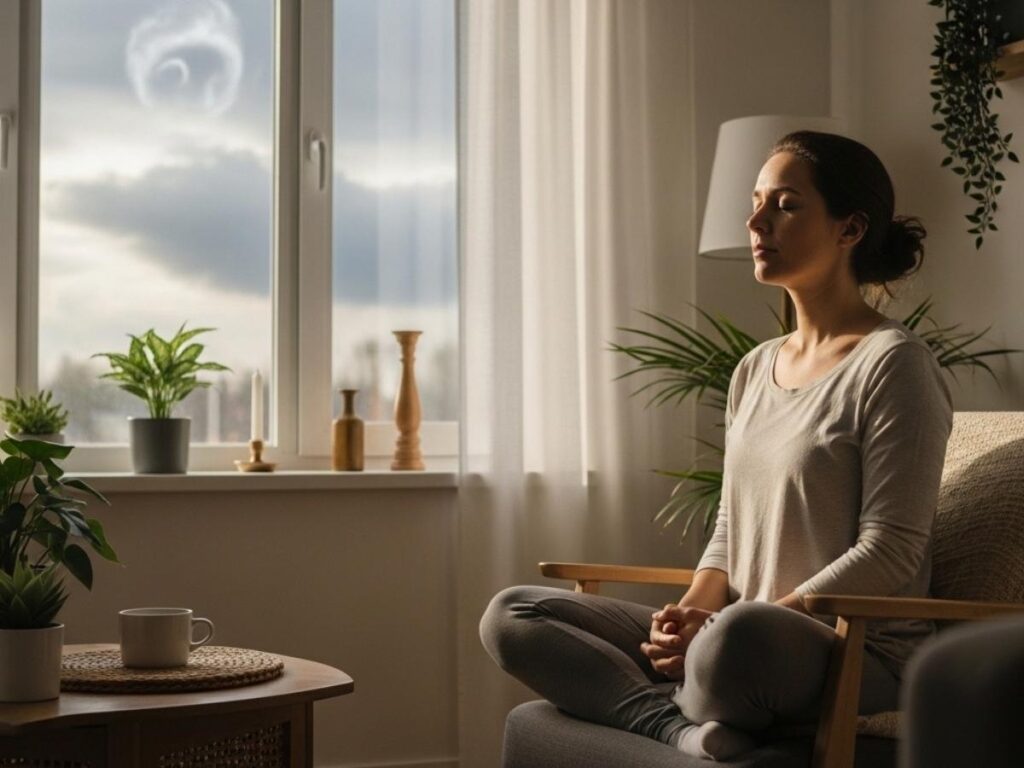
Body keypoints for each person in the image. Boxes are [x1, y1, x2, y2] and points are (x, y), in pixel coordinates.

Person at [479, 131, 954, 761]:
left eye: (785, 204)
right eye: (756, 202)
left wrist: (721, 630)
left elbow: (890, 551)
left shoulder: (894, 365)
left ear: (850, 229)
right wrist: (687, 615)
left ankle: (666, 698)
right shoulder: (754, 369)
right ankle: (680, 729)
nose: (756, 221)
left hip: (848, 650)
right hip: (734, 635)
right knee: (514, 614)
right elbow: (730, 527)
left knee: (740, 638)